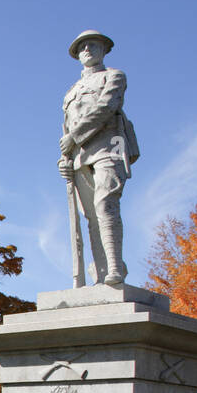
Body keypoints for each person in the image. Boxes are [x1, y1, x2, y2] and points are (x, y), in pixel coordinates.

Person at [58, 30, 138, 286]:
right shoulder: (70, 92)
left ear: (104, 50)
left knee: (106, 204)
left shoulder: (114, 76)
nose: (87, 49)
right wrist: (65, 158)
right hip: (80, 157)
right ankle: (101, 275)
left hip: (109, 147)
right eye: (81, 47)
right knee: (91, 217)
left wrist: (75, 138)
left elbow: (106, 107)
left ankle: (115, 268)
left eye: (93, 44)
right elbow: (65, 129)